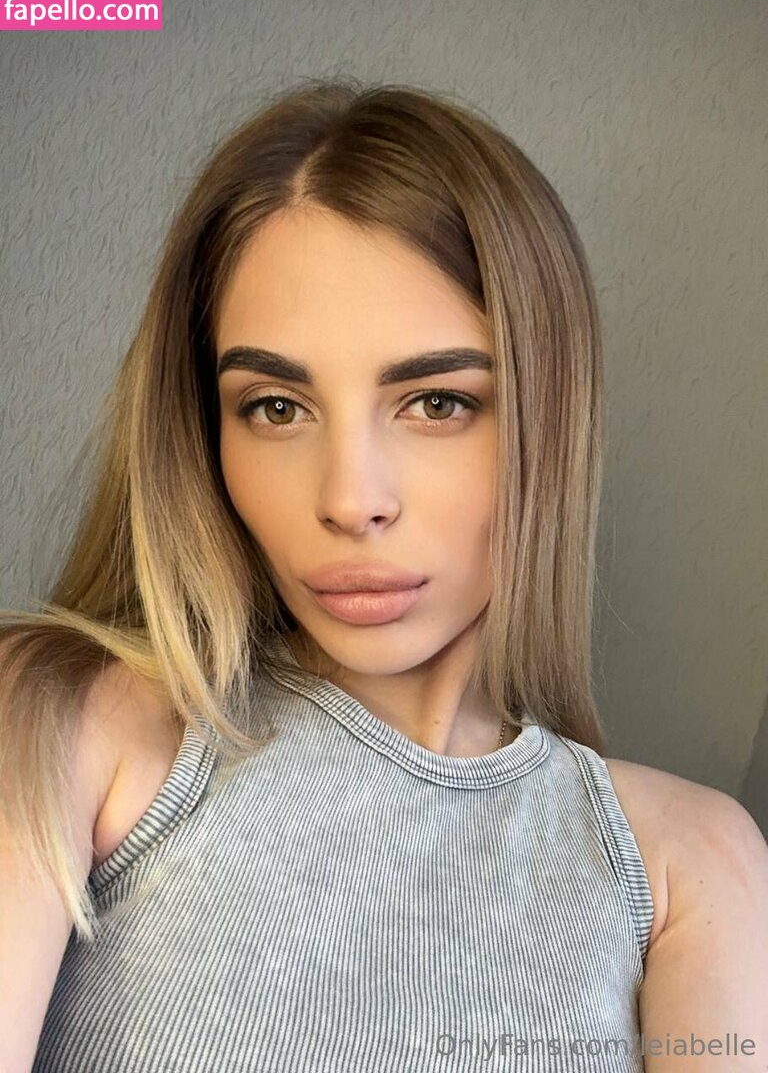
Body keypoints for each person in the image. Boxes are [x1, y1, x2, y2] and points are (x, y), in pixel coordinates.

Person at [1, 76, 766, 1073]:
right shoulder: (59, 714)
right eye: (276, 407)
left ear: (549, 419)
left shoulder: (689, 858)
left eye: (437, 403)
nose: (350, 500)